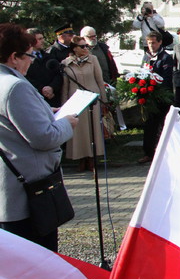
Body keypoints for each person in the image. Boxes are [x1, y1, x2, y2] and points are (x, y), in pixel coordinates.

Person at [0, 23, 78, 251]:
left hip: (10, 191)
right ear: (14, 57)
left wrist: (46, 112)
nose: (32, 60)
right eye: (29, 55)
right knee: (39, 264)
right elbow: (43, 137)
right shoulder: (14, 87)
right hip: (28, 195)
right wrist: (67, 123)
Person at [60, 36, 107, 172]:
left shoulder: (93, 60)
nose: (86, 48)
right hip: (75, 99)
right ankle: (81, 159)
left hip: (92, 98)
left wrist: (103, 100)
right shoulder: (66, 63)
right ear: (74, 48)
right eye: (82, 46)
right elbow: (65, 86)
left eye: (86, 46)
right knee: (79, 130)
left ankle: (92, 159)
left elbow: (99, 80)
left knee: (92, 129)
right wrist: (64, 106)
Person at [138, 31, 173, 164]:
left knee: (162, 125)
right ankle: (148, 152)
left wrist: (156, 88)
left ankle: (164, 152)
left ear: (159, 42)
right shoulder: (146, 57)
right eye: (149, 43)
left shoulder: (165, 58)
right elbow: (141, 73)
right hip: (148, 98)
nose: (151, 45)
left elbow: (167, 79)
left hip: (162, 98)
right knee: (149, 126)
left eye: (153, 43)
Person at [25, 28, 63, 108]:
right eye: (39, 39)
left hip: (54, 99)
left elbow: (58, 75)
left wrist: (52, 87)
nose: (43, 41)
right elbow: (26, 78)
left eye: (43, 38)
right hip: (36, 100)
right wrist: (42, 89)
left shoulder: (49, 57)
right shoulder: (25, 59)